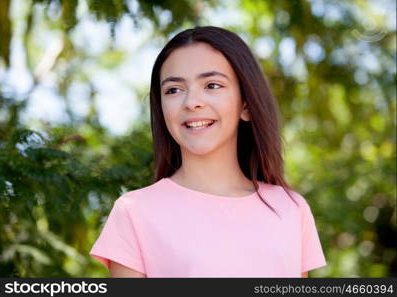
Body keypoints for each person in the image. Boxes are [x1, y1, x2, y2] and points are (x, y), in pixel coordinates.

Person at [89, 26, 327, 278]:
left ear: (245, 104)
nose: (192, 102)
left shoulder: (290, 208)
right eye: (174, 90)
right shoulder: (134, 211)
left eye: (212, 85)